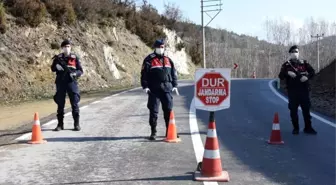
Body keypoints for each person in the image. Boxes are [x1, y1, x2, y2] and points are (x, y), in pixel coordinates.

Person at [140, 39, 179, 140]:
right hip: (154, 89)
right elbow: (144, 74)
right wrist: (145, 86)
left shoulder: (168, 60)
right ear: (155, 47)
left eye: (162, 47)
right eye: (159, 47)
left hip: (167, 88)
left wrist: (175, 85)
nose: (161, 49)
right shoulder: (149, 60)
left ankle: (170, 131)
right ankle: (153, 132)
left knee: (169, 110)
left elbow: (173, 73)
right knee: (154, 111)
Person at [278, 45, 317, 135]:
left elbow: (313, 72)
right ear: (290, 53)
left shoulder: (304, 63)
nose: (295, 53)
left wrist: (306, 77)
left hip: (304, 90)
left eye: (296, 51)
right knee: (293, 111)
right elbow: (280, 76)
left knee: (306, 110)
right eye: (293, 52)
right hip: (293, 92)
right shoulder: (286, 65)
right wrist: (288, 73)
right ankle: (296, 128)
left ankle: (308, 128)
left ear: (299, 53)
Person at [50, 39, 84, 131]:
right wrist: (56, 66)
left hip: (71, 82)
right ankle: (60, 125)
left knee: (74, 102)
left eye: (68, 46)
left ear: (70, 47)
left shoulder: (74, 57)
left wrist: (75, 74)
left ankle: (76, 124)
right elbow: (52, 68)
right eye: (65, 47)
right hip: (60, 82)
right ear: (62, 48)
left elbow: (80, 70)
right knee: (60, 103)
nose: (67, 48)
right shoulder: (58, 58)